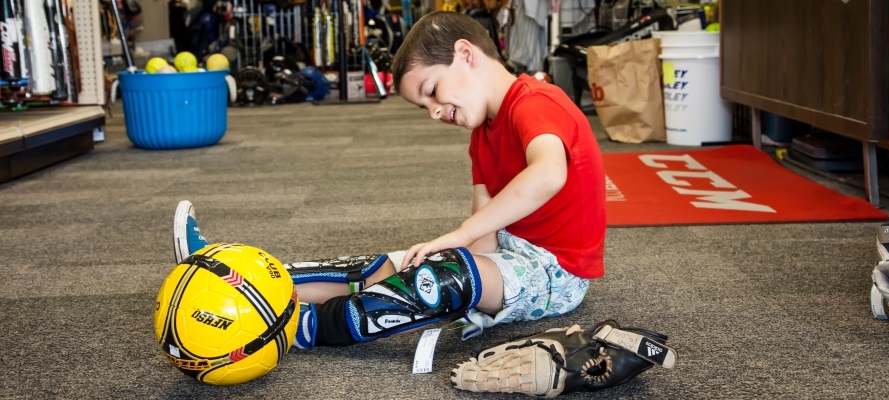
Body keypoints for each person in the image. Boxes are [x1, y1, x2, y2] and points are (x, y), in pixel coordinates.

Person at [172, 11, 606, 348]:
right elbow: (485, 235)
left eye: (432, 92)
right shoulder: (480, 137)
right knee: (387, 266)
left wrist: (455, 254)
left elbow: (548, 173)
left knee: (446, 276)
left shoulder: (536, 102)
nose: (435, 113)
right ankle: (231, 275)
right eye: (425, 106)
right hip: (507, 256)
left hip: (556, 275)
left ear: (467, 55)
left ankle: (302, 329)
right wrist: (437, 260)